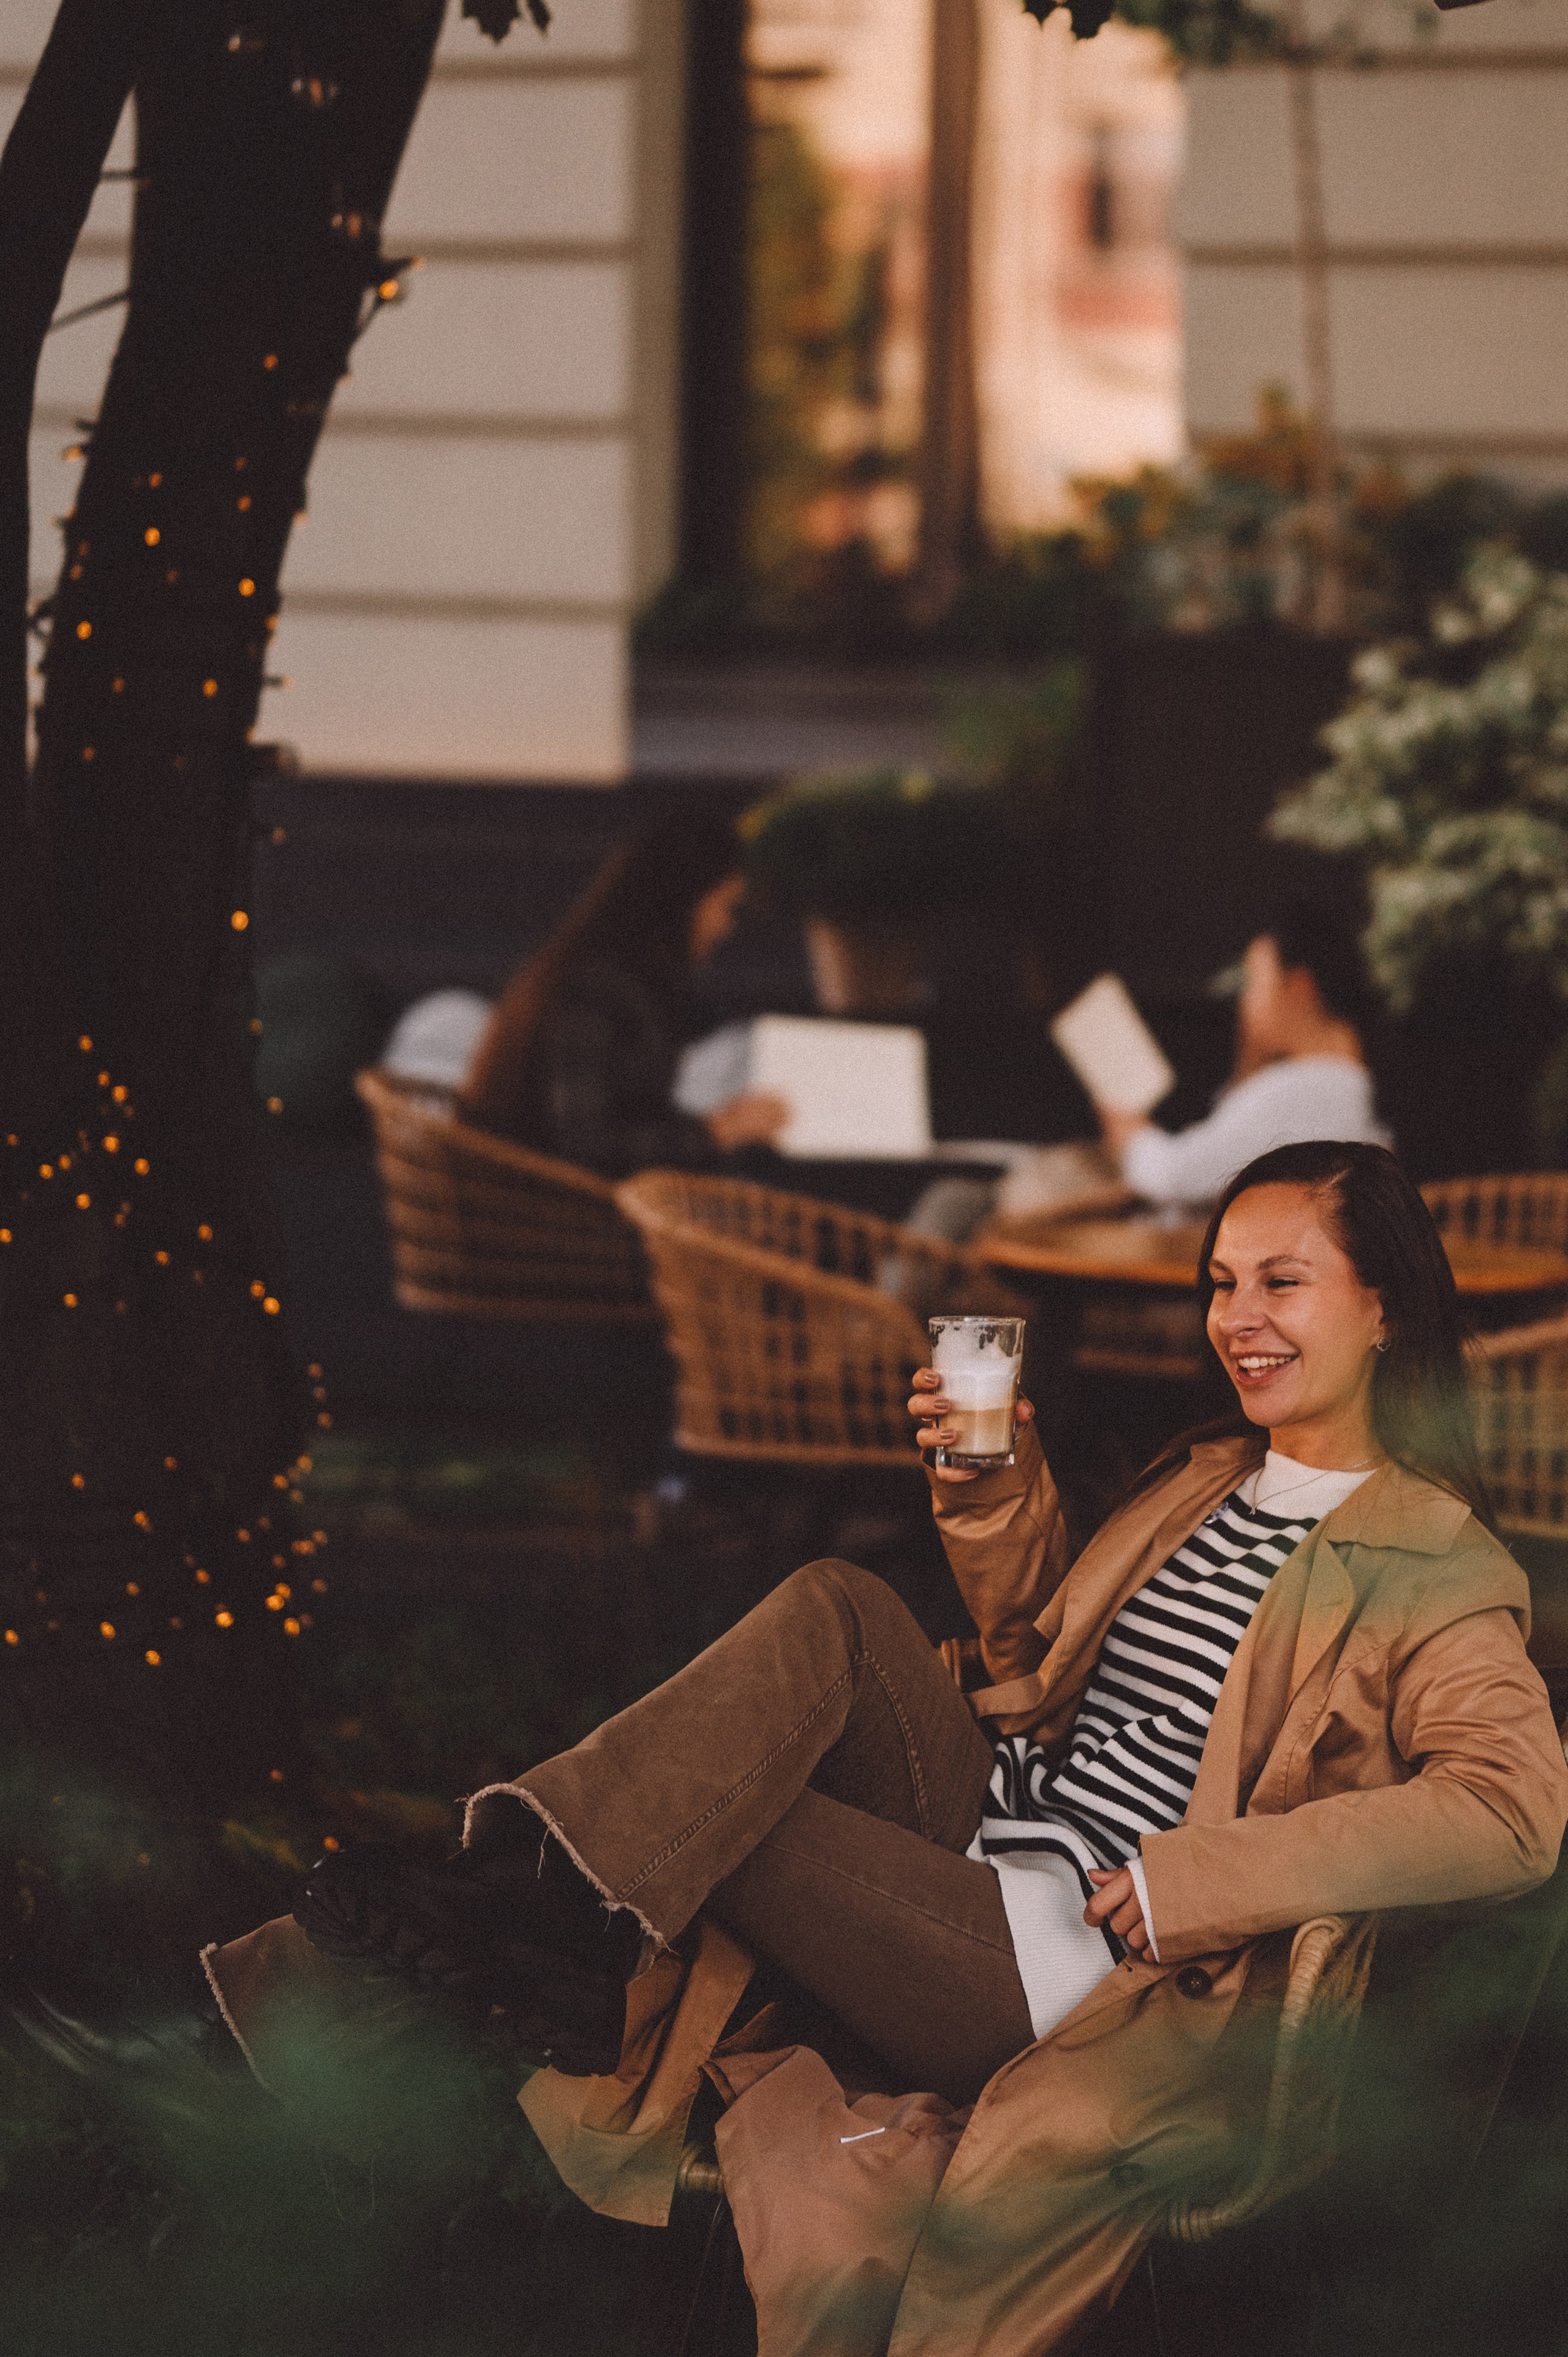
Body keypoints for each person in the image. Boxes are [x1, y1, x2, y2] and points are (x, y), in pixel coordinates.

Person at [185, 1138, 1565, 2355]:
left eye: (1282, 1281)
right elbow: (1037, 1663)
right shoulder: (1209, 1475)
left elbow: (1511, 1811)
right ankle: (533, 1907)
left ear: (1383, 1305)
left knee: (752, 1821)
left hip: (1080, 1958)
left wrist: (1187, 1880)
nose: (1236, 1317)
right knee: (839, 1605)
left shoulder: (1428, 1560)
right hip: (986, 1838)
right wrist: (997, 1491)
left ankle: (507, 1920)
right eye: (1218, 1280)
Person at [455, 812, 789, 1178]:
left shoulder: (604, 970)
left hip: (531, 1195)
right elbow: (587, 1144)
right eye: (723, 905)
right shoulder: (597, 991)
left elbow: (627, 1114)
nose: (726, 926)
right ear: (680, 903)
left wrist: (721, 1125)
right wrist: (717, 1132)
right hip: (542, 1208)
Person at [1099, 893, 1389, 1211]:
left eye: (1254, 984)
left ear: (1299, 986)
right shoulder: (1345, 1083)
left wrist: (1132, 1135)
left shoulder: (1311, 1086)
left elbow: (1177, 1177)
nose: (1245, 1004)